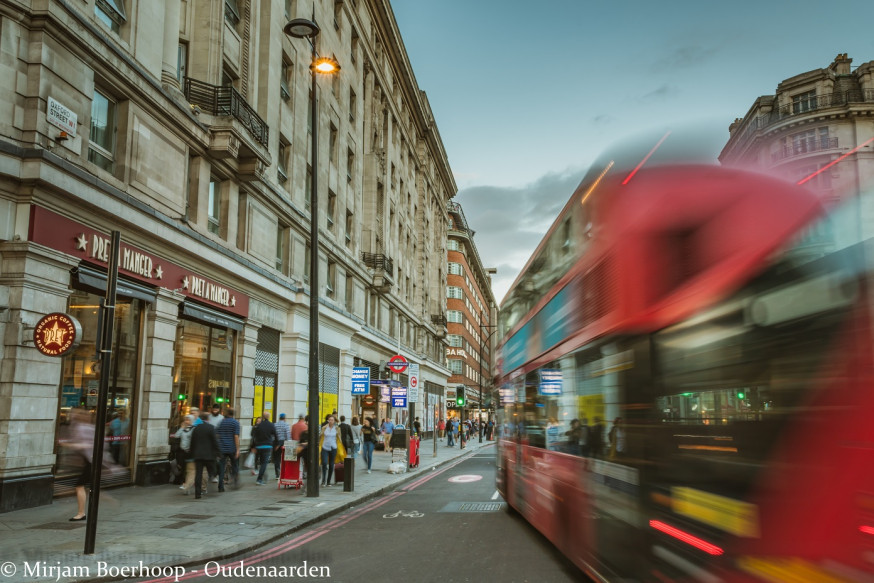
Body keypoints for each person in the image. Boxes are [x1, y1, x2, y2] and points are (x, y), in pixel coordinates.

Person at [64, 408, 94, 521]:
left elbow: (85, 445)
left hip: (90, 461)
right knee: (81, 485)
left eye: (74, 414)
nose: (72, 416)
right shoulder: (87, 427)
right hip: (89, 461)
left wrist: (69, 445)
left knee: (79, 485)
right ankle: (81, 512)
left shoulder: (83, 428)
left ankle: (81, 513)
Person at [190, 412, 221, 499]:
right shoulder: (210, 428)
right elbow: (215, 442)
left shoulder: (196, 429)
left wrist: (192, 454)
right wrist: (219, 453)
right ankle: (212, 476)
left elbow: (192, 442)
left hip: (198, 455)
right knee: (212, 469)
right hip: (208, 455)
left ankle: (197, 493)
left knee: (198, 474)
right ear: (208, 419)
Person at [216, 407, 241, 491]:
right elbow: (236, 436)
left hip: (222, 448)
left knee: (222, 467)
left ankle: (220, 486)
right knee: (234, 465)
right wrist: (238, 449)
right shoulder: (235, 423)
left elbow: (217, 435)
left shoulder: (221, 422)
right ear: (233, 414)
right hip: (232, 448)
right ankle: (235, 482)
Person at [250, 412, 277, 485]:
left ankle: (264, 476)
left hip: (259, 446)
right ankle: (259, 479)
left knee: (262, 463)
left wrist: (253, 446)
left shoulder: (259, 425)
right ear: (269, 417)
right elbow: (275, 435)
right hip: (267, 446)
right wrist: (276, 445)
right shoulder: (271, 425)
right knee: (264, 463)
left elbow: (254, 437)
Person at [319, 415, 346, 486]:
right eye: (329, 420)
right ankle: (323, 480)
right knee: (324, 463)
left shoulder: (337, 429)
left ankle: (328, 481)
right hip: (325, 447)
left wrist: (341, 448)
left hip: (333, 448)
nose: (330, 421)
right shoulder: (324, 428)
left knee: (331, 465)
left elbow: (340, 439)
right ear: (328, 421)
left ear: (334, 421)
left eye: (332, 420)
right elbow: (320, 436)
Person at [174, 414, 196, 495]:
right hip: (182, 452)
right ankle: (185, 484)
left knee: (189, 470)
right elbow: (176, 435)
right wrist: (181, 428)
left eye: (188, 420)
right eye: (186, 420)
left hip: (189, 453)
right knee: (183, 468)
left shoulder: (194, 429)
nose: (187, 421)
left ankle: (187, 485)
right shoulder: (183, 429)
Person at [273, 413, 291, 479]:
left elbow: (273, 435)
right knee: (285, 458)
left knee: (277, 459)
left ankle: (277, 474)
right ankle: (284, 472)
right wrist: (289, 443)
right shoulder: (286, 425)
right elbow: (288, 435)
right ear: (284, 418)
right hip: (284, 442)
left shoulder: (275, 424)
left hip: (276, 443)